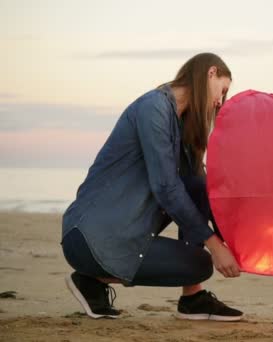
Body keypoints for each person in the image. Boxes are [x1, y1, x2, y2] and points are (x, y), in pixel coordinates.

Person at [61, 53, 243, 321]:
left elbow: (198, 188)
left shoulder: (182, 123)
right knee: (203, 262)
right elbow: (166, 188)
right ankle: (91, 279)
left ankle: (193, 299)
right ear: (211, 73)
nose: (220, 101)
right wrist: (214, 245)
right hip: (90, 236)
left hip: (128, 232)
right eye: (223, 91)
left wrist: (233, 241)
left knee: (197, 192)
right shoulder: (153, 107)